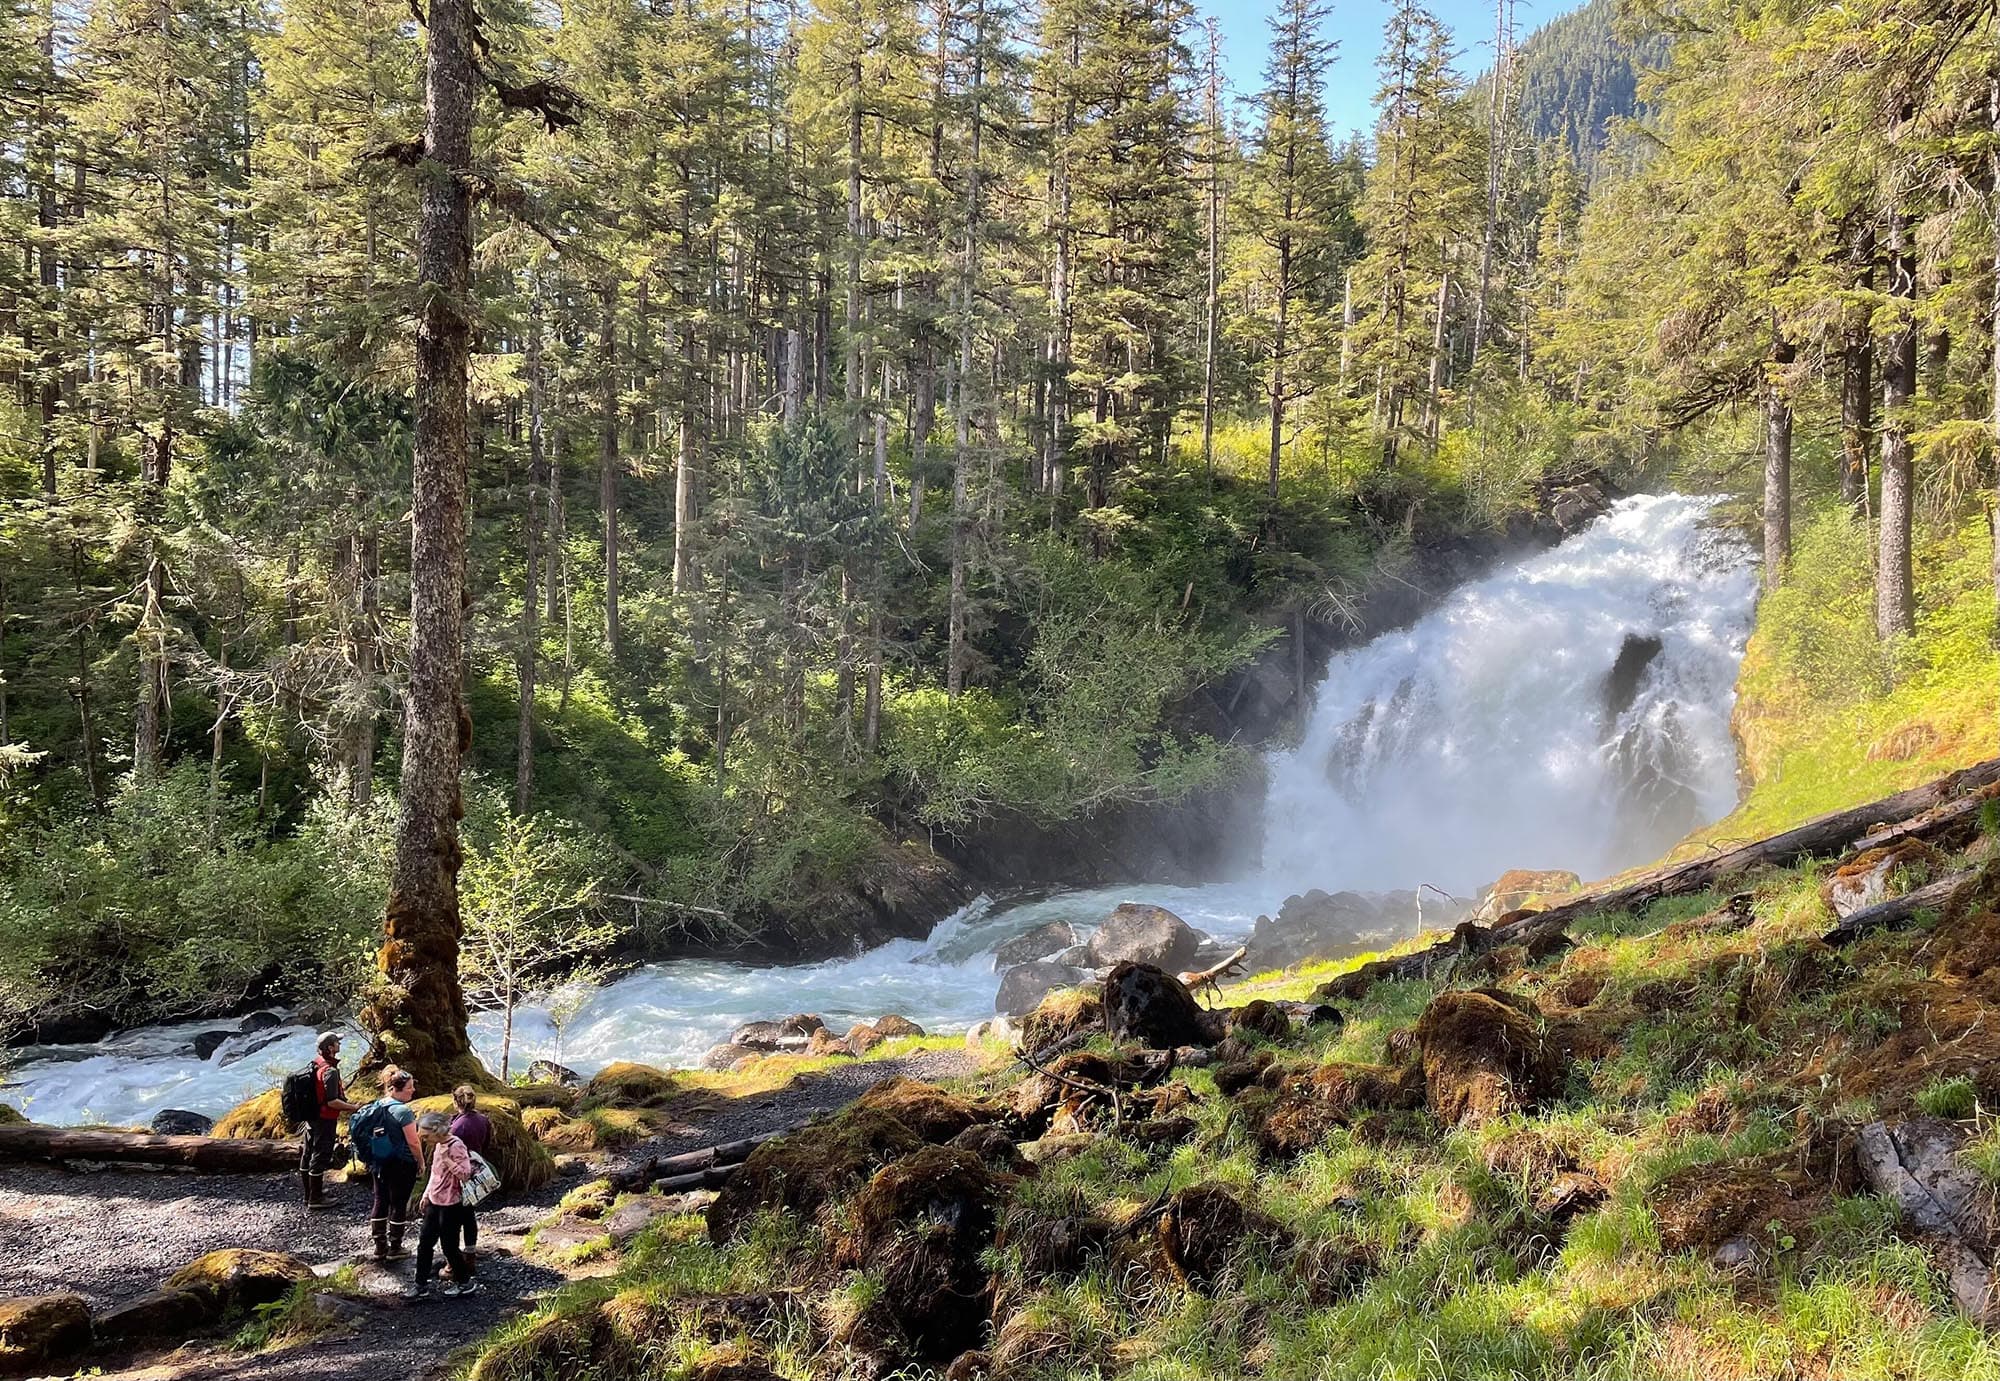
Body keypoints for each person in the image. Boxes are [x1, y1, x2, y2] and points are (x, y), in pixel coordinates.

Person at [407, 1110, 479, 1299]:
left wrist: (448, 1160)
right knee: (424, 1244)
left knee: (449, 1247)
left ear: (437, 1130)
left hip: (452, 1204)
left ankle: (465, 1282)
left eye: (426, 1135)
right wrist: (426, 1193)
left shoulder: (456, 1146)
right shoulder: (439, 1145)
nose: (424, 1140)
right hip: (434, 1201)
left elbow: (465, 1174)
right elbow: (434, 1172)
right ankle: (420, 1285)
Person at [358, 1067, 424, 1263]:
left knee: (380, 1200)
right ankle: (395, 1247)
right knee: (398, 1203)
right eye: (409, 1087)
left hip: (379, 1162)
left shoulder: (377, 1105)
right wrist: (421, 1162)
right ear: (396, 1088)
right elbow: (413, 1142)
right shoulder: (403, 1111)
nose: (413, 1091)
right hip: (401, 1164)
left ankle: (380, 1247)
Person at [299, 1032, 354, 1211]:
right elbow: (332, 1101)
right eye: (337, 1042)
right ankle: (316, 1198)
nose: (339, 1044)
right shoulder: (330, 1071)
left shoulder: (316, 1064)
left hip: (311, 1117)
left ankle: (309, 1195)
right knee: (320, 1155)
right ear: (330, 1048)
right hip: (324, 1119)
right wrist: (354, 1107)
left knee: (307, 1153)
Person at [446, 1086, 491, 1272]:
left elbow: (448, 1150)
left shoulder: (457, 1126)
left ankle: (453, 1262)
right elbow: (487, 1143)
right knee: (469, 1214)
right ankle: (470, 1255)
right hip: (476, 1170)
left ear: (456, 1101)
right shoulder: (483, 1120)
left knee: (453, 1218)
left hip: (458, 1174)